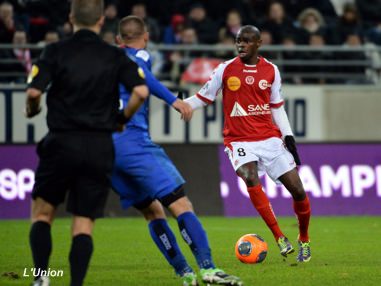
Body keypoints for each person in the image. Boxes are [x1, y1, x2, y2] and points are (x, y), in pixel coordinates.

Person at [112, 15, 243, 286]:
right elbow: (142, 76)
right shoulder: (139, 55)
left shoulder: (100, 62)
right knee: (181, 205)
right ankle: (208, 269)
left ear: (116, 39)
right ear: (145, 37)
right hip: (133, 142)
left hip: (104, 148)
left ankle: (184, 273)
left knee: (152, 212)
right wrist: (174, 100)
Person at [25, 1, 149, 286]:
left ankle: (41, 279)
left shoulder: (55, 51)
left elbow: (33, 92)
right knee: (83, 223)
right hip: (98, 145)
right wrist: (121, 118)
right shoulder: (114, 56)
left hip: (61, 142)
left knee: (43, 214)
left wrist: (32, 110)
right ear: (101, 20)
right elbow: (140, 92)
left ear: (71, 18)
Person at [184, 25, 311, 263]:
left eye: (246, 41)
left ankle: (303, 238)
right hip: (239, 139)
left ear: (258, 43)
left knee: (298, 190)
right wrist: (180, 103)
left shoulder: (271, 70)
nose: (241, 45)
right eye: (238, 41)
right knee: (249, 176)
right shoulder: (225, 69)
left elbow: (276, 107)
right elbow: (204, 97)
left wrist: (288, 135)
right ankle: (280, 237)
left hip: (269, 138)